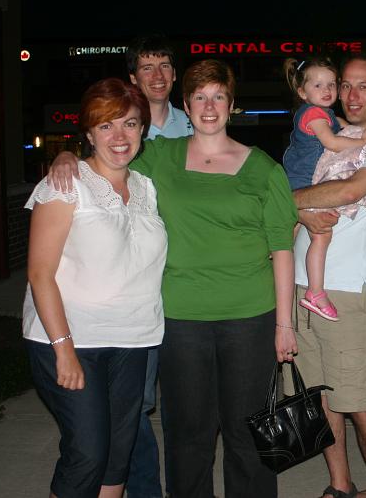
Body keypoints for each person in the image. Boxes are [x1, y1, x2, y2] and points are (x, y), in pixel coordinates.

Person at [48, 60, 298, 498]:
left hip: (249, 315)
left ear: (232, 105)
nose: (208, 106)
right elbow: (108, 153)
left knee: (246, 433)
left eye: (218, 96)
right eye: (199, 96)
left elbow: (282, 248)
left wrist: (284, 323)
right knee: (188, 435)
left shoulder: (263, 169)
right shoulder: (160, 156)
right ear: (186, 104)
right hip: (180, 317)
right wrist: (67, 154)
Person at [24, 78, 166, 498]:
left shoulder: (146, 188)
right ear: (88, 133)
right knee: (87, 452)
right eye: (106, 126)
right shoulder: (64, 184)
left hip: (134, 339)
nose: (119, 136)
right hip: (72, 339)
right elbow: (39, 273)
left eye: (130, 123)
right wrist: (63, 348)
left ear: (143, 130)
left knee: (118, 453)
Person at [290, 54, 366, 498]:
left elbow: (349, 190)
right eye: (346, 85)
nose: (353, 95)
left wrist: (288, 201)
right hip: (303, 288)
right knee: (320, 398)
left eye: (365, 86)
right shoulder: (325, 135)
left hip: (349, 293)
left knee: (360, 401)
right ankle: (339, 485)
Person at [124, 32, 193, 498]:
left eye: (164, 66)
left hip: (188, 275)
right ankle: (147, 490)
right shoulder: (122, 125)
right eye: (147, 68)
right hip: (139, 278)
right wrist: (65, 155)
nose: (157, 76)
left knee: (186, 402)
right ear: (133, 78)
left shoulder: (197, 124)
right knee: (139, 399)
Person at [282, 56, 366, 321]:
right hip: (303, 181)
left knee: (289, 234)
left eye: (332, 85)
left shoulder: (325, 114)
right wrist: (364, 142)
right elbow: (333, 143)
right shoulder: (313, 114)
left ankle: (272, 266)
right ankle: (315, 292)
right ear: (302, 92)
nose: (327, 91)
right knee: (321, 236)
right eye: (318, 85)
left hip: (301, 179)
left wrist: (356, 129)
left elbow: (343, 126)